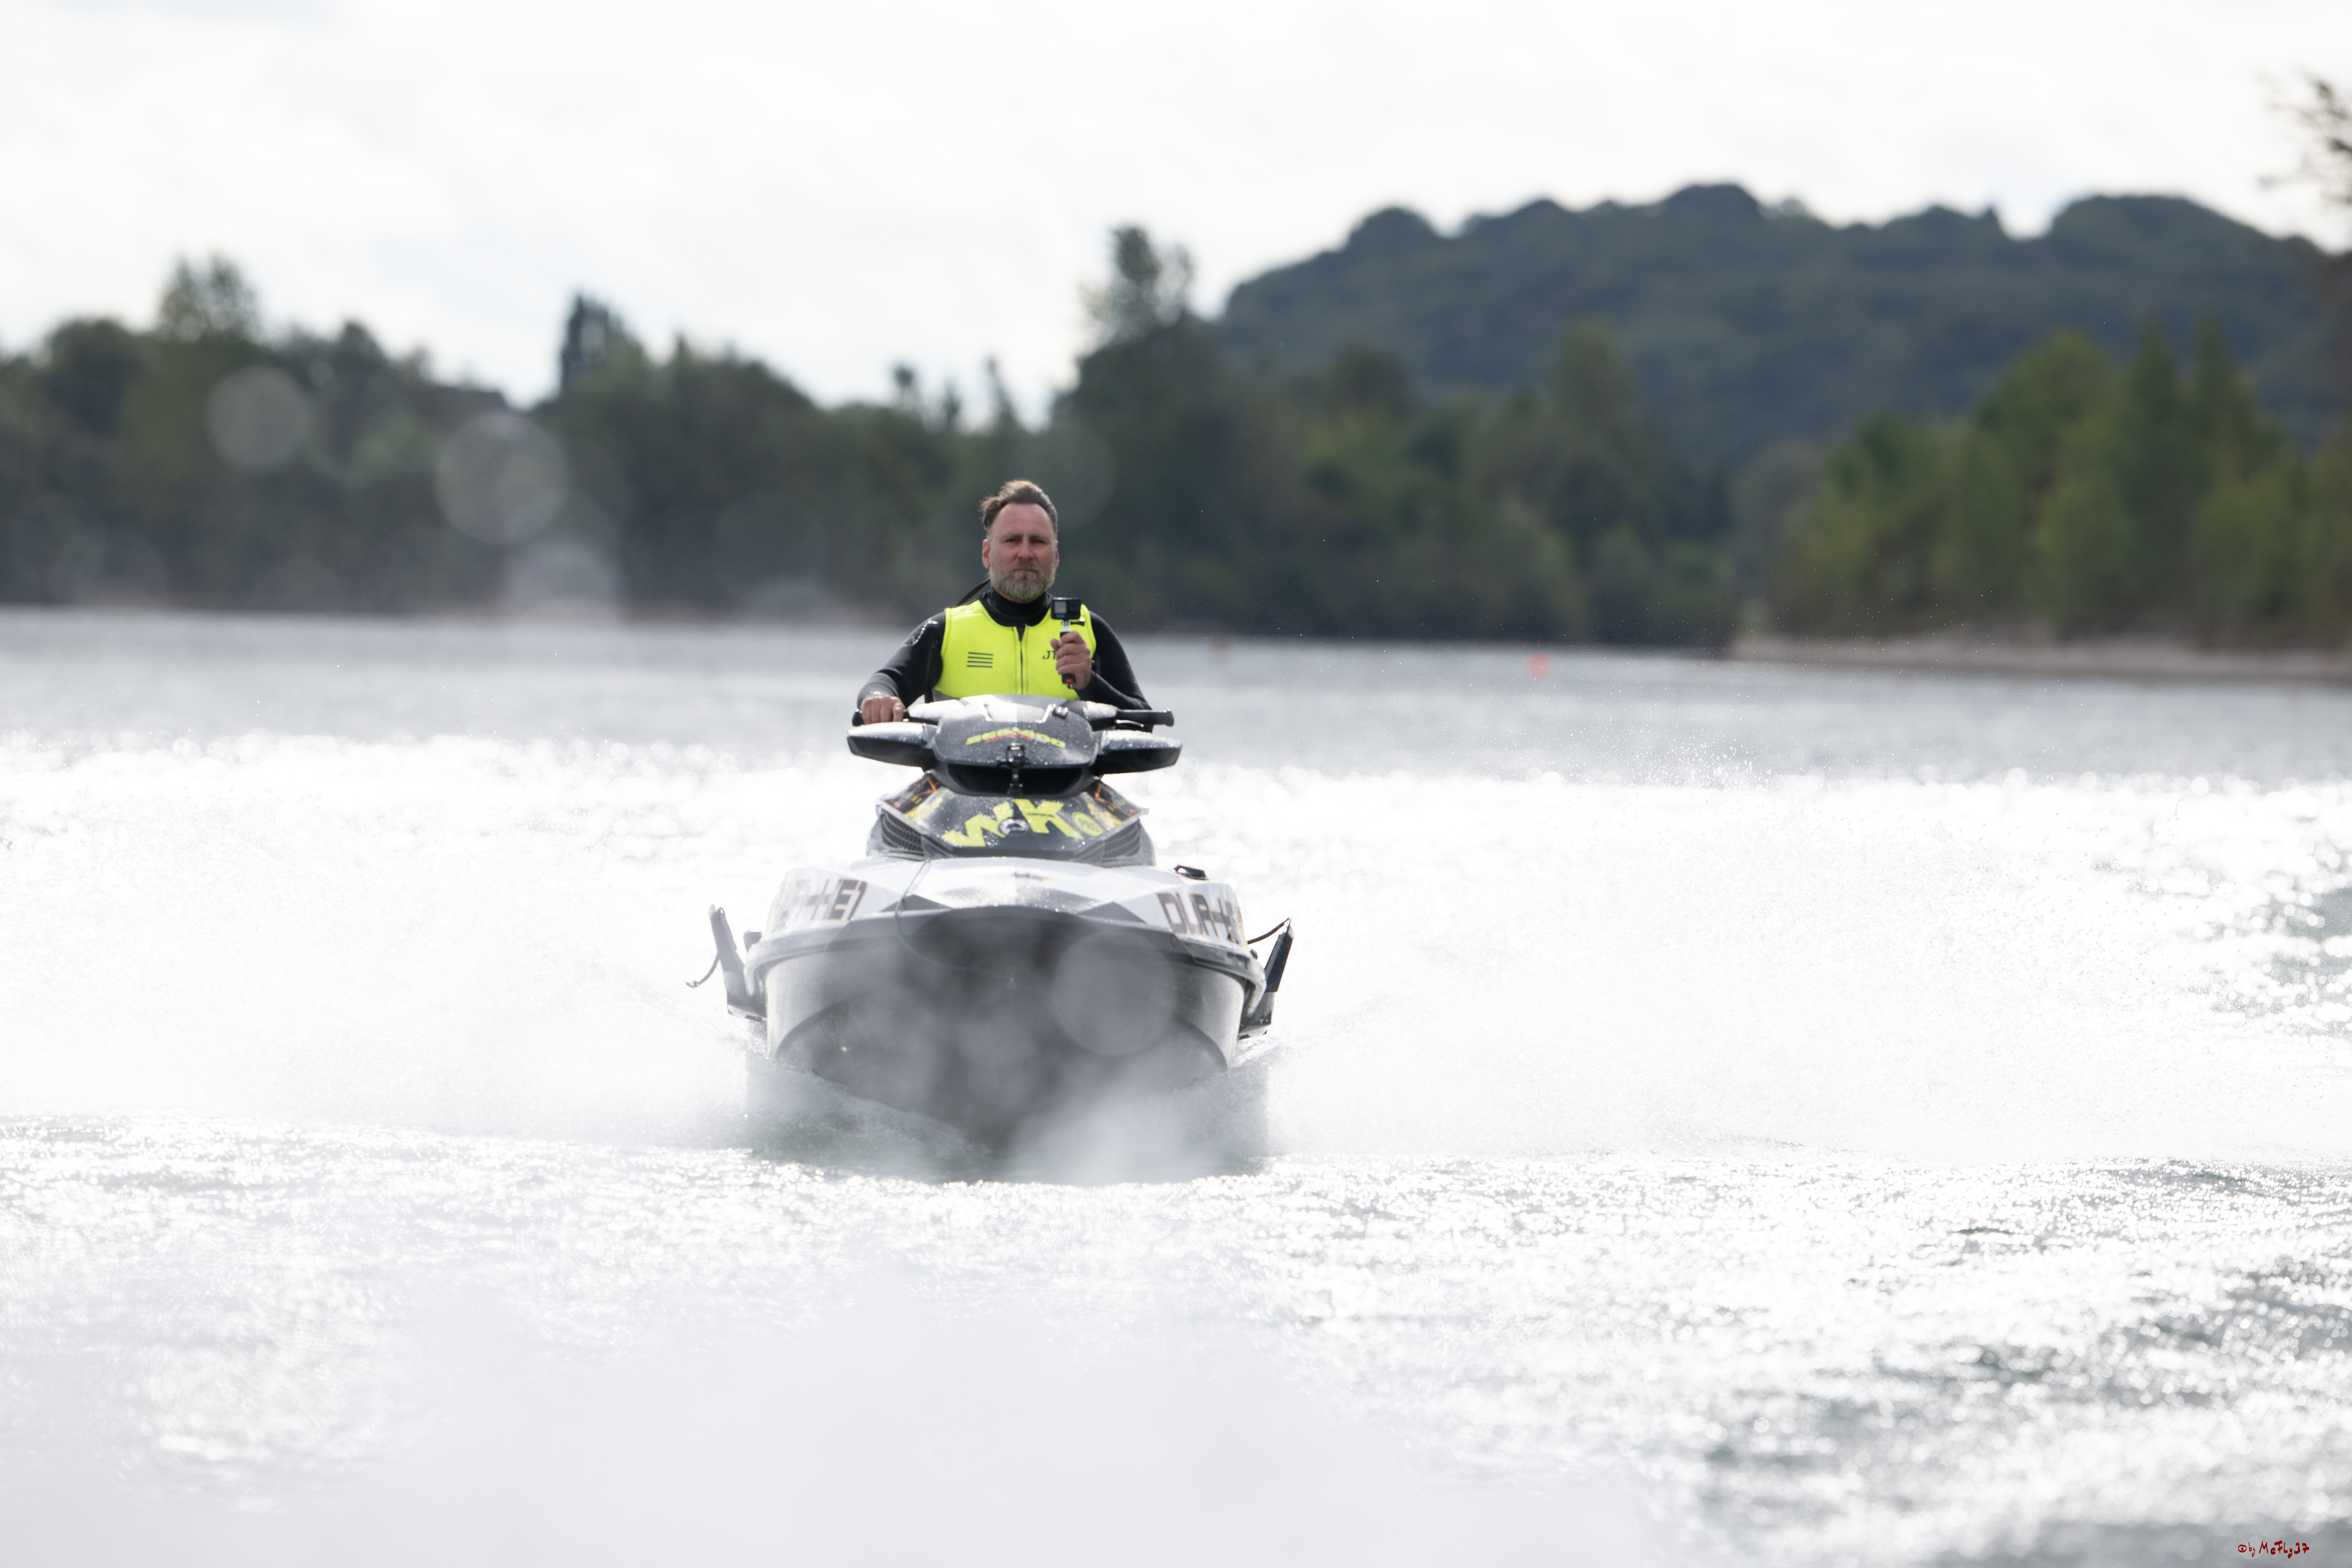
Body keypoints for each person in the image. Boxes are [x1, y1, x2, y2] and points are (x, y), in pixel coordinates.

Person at [854, 479, 1150, 722]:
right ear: (987, 553)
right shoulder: (943, 631)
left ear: (1056, 555)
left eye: (1038, 541)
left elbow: (1143, 720)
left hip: (1064, 790)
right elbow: (884, 682)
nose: (1025, 553)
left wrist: (1090, 683)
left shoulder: (1088, 629)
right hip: (963, 789)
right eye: (1012, 540)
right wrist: (879, 700)